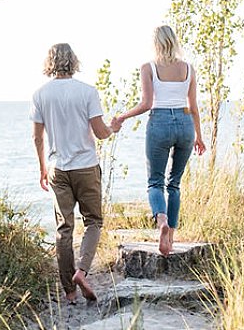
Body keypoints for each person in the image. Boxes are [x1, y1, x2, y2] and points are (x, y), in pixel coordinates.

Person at [30, 42, 115, 304]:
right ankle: (82, 271)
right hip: (86, 166)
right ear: (73, 61)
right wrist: (112, 127)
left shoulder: (40, 94)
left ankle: (69, 291)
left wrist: (43, 167)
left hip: (58, 168)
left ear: (50, 63)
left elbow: (37, 137)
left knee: (63, 228)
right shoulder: (87, 92)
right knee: (93, 221)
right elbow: (100, 132)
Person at [111, 25, 205, 256]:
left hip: (160, 123)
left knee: (155, 182)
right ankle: (170, 238)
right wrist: (199, 137)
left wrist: (122, 116)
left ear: (156, 44)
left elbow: (146, 104)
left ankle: (161, 220)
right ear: (174, 41)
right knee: (174, 184)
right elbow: (193, 107)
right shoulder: (189, 69)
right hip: (185, 125)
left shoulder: (148, 68)